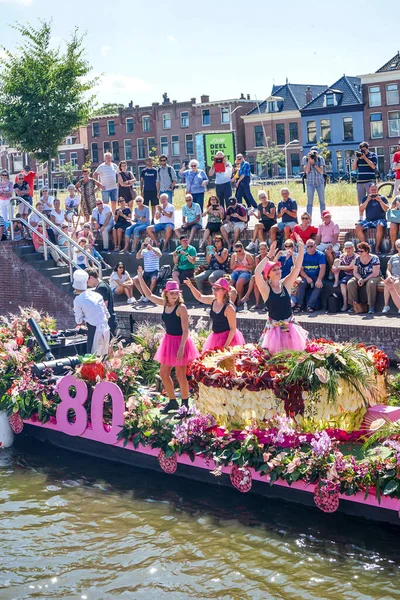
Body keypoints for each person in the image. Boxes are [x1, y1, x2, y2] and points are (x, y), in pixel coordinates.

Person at [136, 272, 199, 413]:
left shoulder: (181, 308)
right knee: (164, 373)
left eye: (176, 293)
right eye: (172, 293)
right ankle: (172, 402)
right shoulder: (164, 304)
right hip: (169, 341)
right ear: (166, 294)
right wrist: (140, 278)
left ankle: (185, 405)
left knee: (180, 375)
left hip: (181, 342)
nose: (175, 296)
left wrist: (182, 348)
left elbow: (185, 330)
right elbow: (149, 295)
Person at [255, 233, 308, 354]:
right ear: (268, 274)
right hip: (274, 330)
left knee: (293, 357)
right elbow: (257, 272)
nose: (278, 271)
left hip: (290, 328)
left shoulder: (285, 285)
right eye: (274, 269)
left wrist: (301, 249)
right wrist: (269, 255)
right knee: (275, 360)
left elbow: (297, 268)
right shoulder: (265, 289)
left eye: (279, 269)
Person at [184, 277, 245, 350]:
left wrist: (225, 346)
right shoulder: (213, 300)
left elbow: (233, 329)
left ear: (224, 291)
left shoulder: (229, 308)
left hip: (228, 338)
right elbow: (199, 297)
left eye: (217, 289)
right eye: (214, 288)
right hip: (215, 336)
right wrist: (191, 285)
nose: (214, 291)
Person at [73, 270, 110, 357]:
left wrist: (86, 320)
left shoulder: (78, 300)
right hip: (105, 327)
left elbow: (78, 320)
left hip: (94, 329)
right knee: (104, 356)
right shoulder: (96, 295)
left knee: (92, 357)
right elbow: (107, 314)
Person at [347, 242, 381, 314]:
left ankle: (371, 306)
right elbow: (355, 272)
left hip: (374, 277)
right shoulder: (357, 259)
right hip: (361, 276)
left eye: (361, 251)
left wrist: (364, 280)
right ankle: (354, 305)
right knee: (350, 283)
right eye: (358, 251)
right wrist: (360, 279)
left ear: (367, 251)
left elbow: (375, 273)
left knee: (370, 283)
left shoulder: (374, 258)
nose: (359, 253)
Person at [294, 239, 326, 313]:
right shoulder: (303, 256)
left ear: (315, 246)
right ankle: (299, 305)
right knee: (301, 284)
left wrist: (319, 279)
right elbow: (300, 270)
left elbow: (322, 268)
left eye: (311, 246)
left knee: (318, 286)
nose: (309, 248)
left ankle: (310, 306)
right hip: (306, 276)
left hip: (317, 276)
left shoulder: (320, 255)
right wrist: (306, 277)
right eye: (307, 247)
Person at [355, 184, 388, 253]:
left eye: (375, 189)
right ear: (369, 190)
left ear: (377, 190)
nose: (373, 191)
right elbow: (361, 209)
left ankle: (377, 247)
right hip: (368, 220)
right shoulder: (365, 198)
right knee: (358, 227)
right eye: (372, 189)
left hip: (380, 219)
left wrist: (380, 201)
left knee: (380, 226)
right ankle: (365, 246)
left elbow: (386, 209)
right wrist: (367, 200)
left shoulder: (383, 198)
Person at [86, 267, 118, 338]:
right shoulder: (104, 284)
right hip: (111, 319)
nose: (87, 284)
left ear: (91, 277)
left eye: (87, 281)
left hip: (107, 322)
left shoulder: (101, 288)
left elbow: (104, 306)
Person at [239, 241, 269, 309]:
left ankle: (247, 296)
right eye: (261, 249)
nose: (262, 250)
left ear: (267, 249)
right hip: (261, 275)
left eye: (264, 249)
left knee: (253, 278)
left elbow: (270, 268)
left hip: (269, 275)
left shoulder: (271, 256)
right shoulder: (257, 258)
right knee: (255, 283)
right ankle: (257, 303)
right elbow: (258, 270)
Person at [132, 237, 162, 301]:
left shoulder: (156, 249)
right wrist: (141, 248)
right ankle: (143, 295)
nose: (148, 244)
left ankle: (149, 296)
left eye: (149, 242)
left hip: (154, 271)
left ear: (152, 243)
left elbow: (160, 255)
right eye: (146, 242)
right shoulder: (144, 251)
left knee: (154, 280)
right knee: (135, 279)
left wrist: (152, 249)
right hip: (146, 271)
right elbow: (137, 257)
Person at [331, 241, 357, 311]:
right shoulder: (342, 255)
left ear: (353, 248)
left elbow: (350, 267)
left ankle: (345, 303)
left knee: (343, 283)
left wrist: (338, 267)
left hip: (352, 274)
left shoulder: (356, 256)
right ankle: (336, 281)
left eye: (350, 248)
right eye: (347, 248)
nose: (348, 250)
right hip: (343, 273)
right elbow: (337, 264)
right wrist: (333, 267)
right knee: (336, 260)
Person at [302, 146, 326, 220]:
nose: (314, 155)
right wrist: (309, 161)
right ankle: (308, 221)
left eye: (315, 153)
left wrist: (314, 164)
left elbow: (321, 171)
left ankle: (324, 219)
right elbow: (307, 171)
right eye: (312, 153)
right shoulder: (305, 158)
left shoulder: (320, 159)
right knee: (309, 203)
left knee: (322, 202)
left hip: (320, 182)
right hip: (310, 183)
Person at [315, 210, 340, 278]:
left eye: (328, 217)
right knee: (312, 251)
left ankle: (331, 270)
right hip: (323, 244)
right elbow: (318, 238)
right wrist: (314, 245)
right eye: (325, 217)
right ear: (322, 218)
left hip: (334, 244)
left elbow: (335, 238)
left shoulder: (335, 225)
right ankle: (316, 271)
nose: (327, 218)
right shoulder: (320, 225)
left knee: (327, 252)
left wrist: (331, 245)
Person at [383, 239, 400, 313]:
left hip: (399, 278)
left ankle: (399, 306)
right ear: (396, 248)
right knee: (387, 284)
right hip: (393, 276)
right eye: (399, 246)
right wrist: (389, 276)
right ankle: (386, 306)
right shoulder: (393, 257)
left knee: (397, 283)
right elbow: (388, 269)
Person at [140, 157, 159, 222]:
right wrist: (141, 191)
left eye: (150, 161)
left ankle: (153, 219)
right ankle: (146, 219)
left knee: (153, 206)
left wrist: (158, 191)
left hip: (154, 191)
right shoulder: (143, 171)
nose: (149, 162)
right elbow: (141, 181)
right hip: (146, 191)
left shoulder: (155, 171)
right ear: (146, 162)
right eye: (148, 161)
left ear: (152, 162)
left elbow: (158, 181)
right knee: (145, 206)